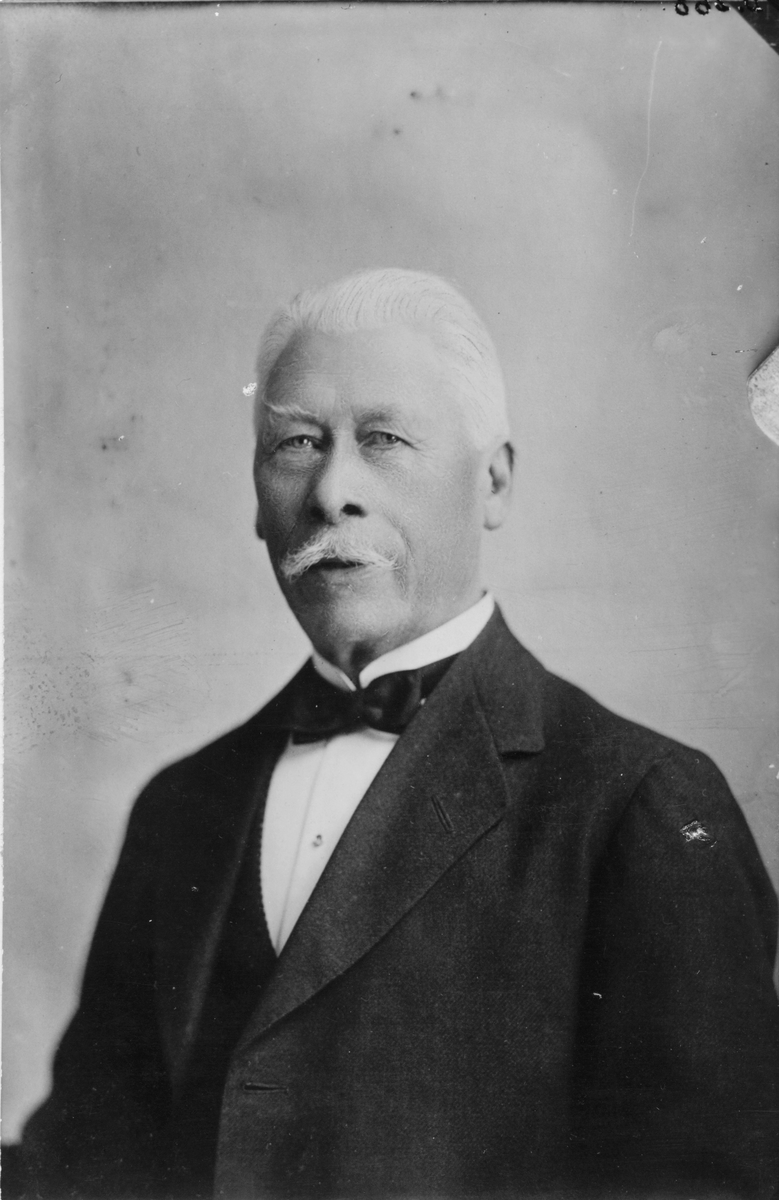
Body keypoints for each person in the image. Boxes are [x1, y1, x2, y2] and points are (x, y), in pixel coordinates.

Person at [7, 270, 779, 1200]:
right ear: (254, 497)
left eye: (384, 439)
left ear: (492, 480)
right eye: (296, 442)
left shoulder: (640, 803)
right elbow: (80, 1164)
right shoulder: (182, 806)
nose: (333, 490)